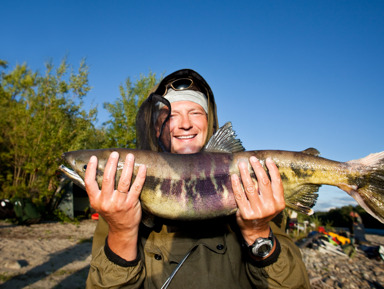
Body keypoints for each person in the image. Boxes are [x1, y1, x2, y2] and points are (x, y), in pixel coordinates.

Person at [85, 69, 310, 288]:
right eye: (171, 115)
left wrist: (258, 233)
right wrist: (122, 232)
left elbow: (295, 285)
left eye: (195, 112)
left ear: (210, 124)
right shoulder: (117, 205)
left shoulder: (260, 192)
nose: (185, 123)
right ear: (155, 128)